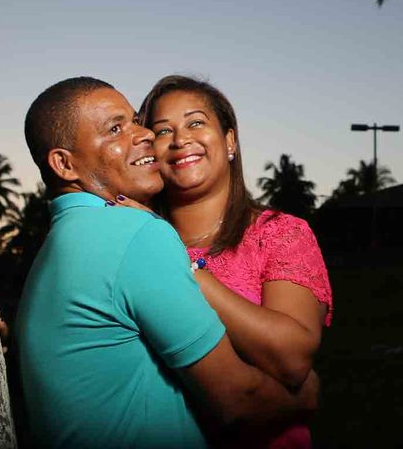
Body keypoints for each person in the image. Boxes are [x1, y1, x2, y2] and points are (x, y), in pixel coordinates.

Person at [15, 77, 317, 448]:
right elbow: (238, 399)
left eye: (134, 122)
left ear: (230, 139)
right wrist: (306, 396)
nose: (142, 135)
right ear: (64, 163)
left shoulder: (61, 244)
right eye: (116, 128)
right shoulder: (135, 233)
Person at [140, 75, 332, 449]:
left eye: (196, 122)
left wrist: (193, 275)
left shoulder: (280, 234)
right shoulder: (136, 246)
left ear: (229, 140)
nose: (181, 140)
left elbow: (292, 359)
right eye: (163, 131)